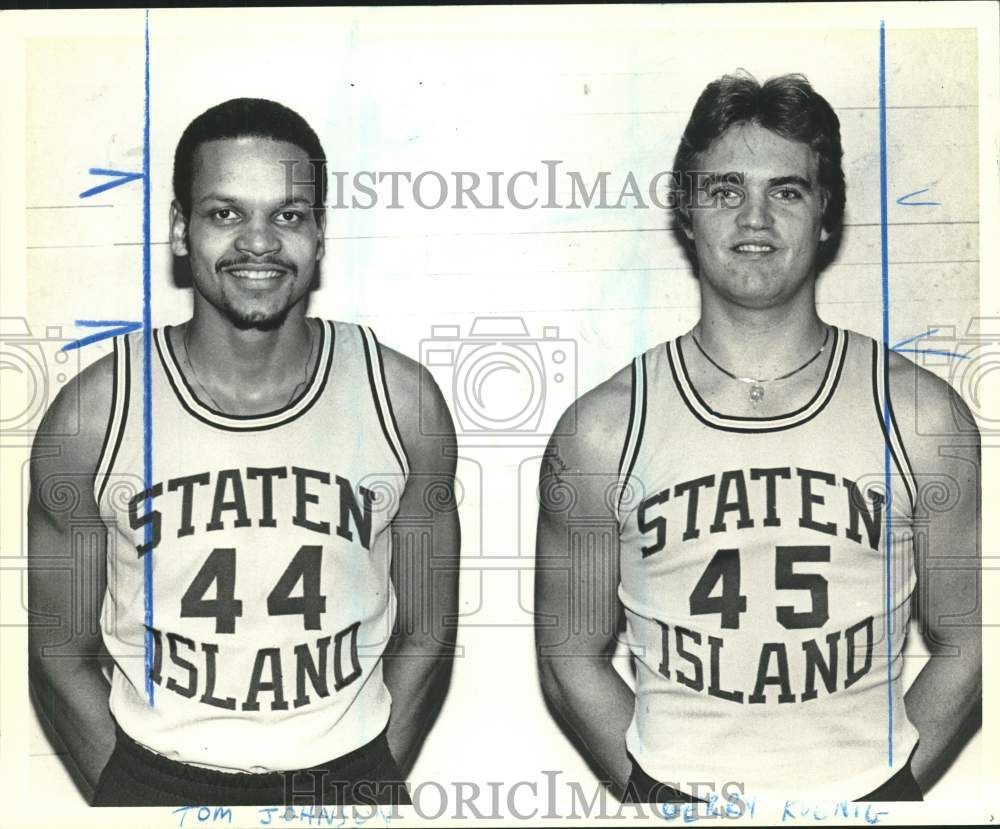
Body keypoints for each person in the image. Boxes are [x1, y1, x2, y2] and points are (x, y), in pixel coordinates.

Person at [535, 73, 981, 804]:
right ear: (686, 211)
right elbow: (567, 656)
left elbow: (969, 647)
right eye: (724, 190)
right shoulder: (604, 428)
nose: (755, 218)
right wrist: (662, 798)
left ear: (826, 213)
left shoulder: (921, 415)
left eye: (787, 190)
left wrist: (884, 798)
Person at [28, 98, 460, 807]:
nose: (258, 242)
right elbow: (56, 650)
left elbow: (430, 625)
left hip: (347, 772)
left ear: (319, 234)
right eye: (225, 213)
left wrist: (375, 773)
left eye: (287, 215)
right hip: (155, 771)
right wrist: (127, 794)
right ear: (179, 229)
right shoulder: (93, 415)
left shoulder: (402, 401)